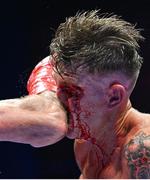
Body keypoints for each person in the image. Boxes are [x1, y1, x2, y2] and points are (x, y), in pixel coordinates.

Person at [0, 10, 150, 178]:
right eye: (57, 87)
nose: (60, 99)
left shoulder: (143, 149)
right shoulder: (86, 145)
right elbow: (50, 62)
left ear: (114, 96)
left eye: (71, 92)